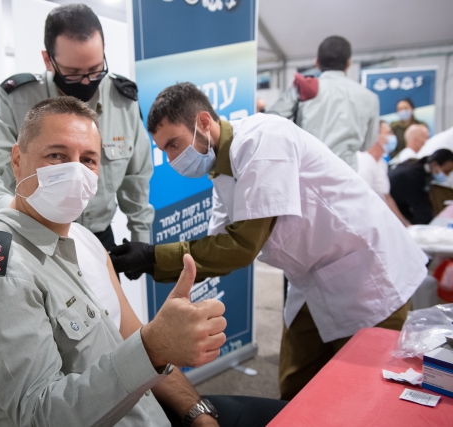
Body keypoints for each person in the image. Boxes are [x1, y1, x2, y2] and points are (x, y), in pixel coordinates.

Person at [0, 97, 286, 427]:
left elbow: (132, 337)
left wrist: (198, 413)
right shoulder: (0, 272)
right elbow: (40, 416)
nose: (75, 172)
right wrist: (153, 348)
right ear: (17, 161)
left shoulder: (84, 241)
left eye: (88, 160)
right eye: (56, 155)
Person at [110, 83, 427, 400]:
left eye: (174, 144)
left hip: (367, 272)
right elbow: (216, 248)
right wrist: (151, 263)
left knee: (368, 392)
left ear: (203, 122)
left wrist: (153, 256)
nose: (172, 158)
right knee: (296, 385)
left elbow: (239, 248)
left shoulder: (262, 140)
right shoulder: (222, 170)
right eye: (165, 150)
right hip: (312, 278)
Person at [0, 3, 153, 249]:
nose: (87, 81)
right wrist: (12, 212)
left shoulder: (122, 100)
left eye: (95, 69)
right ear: (48, 60)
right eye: (73, 73)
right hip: (34, 236)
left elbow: (136, 178)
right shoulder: (17, 100)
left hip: (99, 239)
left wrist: (142, 241)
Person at [267, 36, 379, 171]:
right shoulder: (369, 97)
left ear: (316, 62)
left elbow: (270, 121)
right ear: (349, 63)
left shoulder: (304, 87)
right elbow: (367, 145)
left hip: (308, 172)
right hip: (347, 173)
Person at [356, 121, 410, 226]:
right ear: (375, 137)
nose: (393, 137)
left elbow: (386, 197)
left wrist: (404, 224)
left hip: (382, 221)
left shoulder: (382, 163)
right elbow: (361, 200)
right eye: (389, 133)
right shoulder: (364, 162)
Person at [389, 149, 453, 225]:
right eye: (446, 171)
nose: (447, 175)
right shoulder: (413, 176)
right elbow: (421, 209)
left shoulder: (416, 167)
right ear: (434, 165)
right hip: (393, 211)